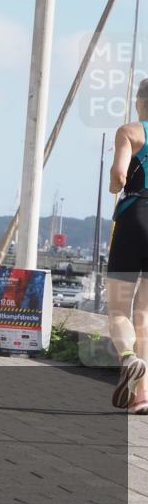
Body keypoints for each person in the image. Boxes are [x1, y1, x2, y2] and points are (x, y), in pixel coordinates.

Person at [106, 78, 148, 414]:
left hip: (135, 215)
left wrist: (113, 183)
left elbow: (120, 177)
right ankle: (142, 396)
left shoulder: (130, 132)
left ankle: (128, 357)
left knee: (119, 309)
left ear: (139, 101)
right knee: (145, 314)